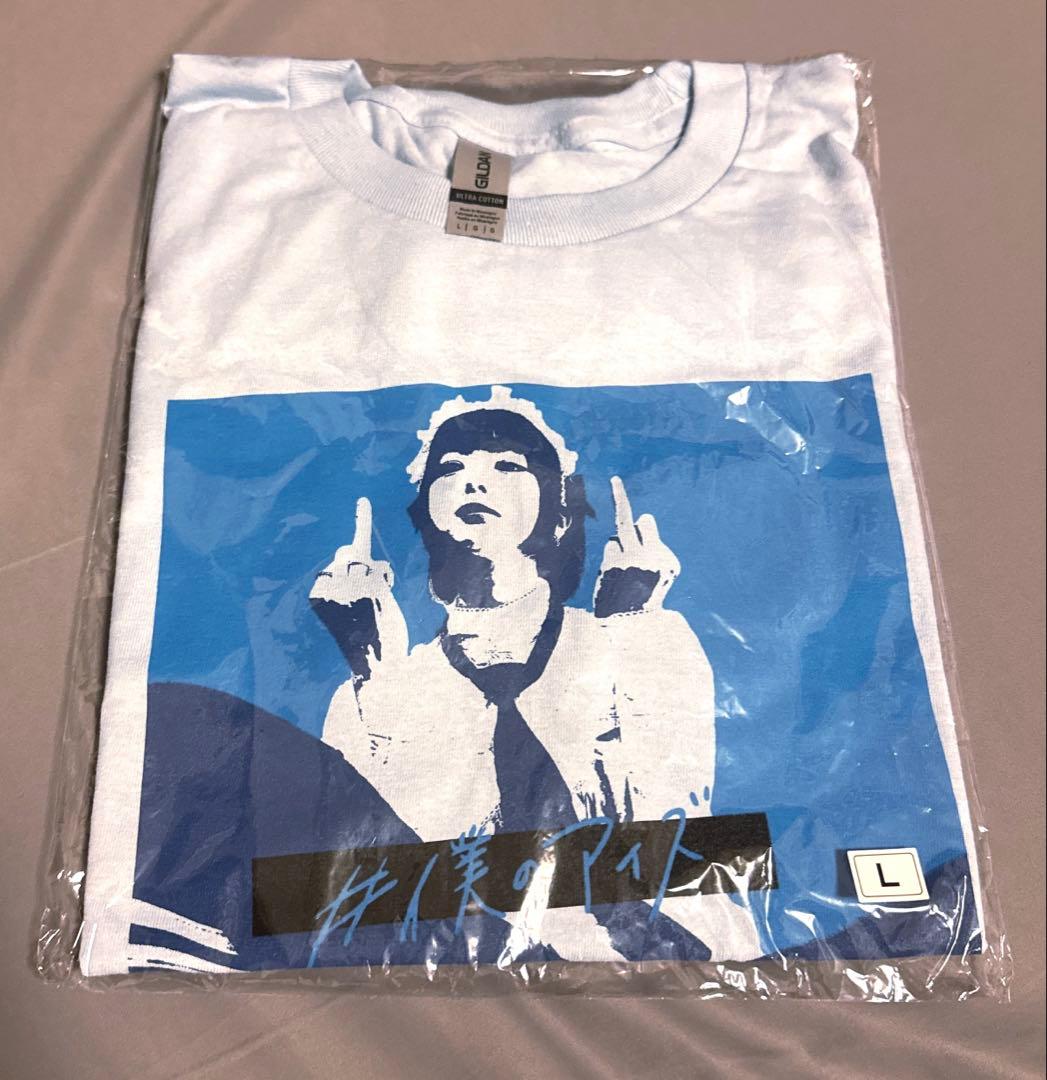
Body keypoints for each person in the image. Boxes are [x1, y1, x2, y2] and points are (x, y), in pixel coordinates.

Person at [310, 386, 762, 961]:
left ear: (560, 514)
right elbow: (367, 895)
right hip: (457, 985)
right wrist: (377, 672)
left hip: (666, 972)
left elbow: (681, 835)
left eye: (507, 466)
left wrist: (632, 632)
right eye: (450, 469)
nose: (474, 482)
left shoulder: (634, 640)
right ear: (423, 519)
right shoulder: (374, 690)